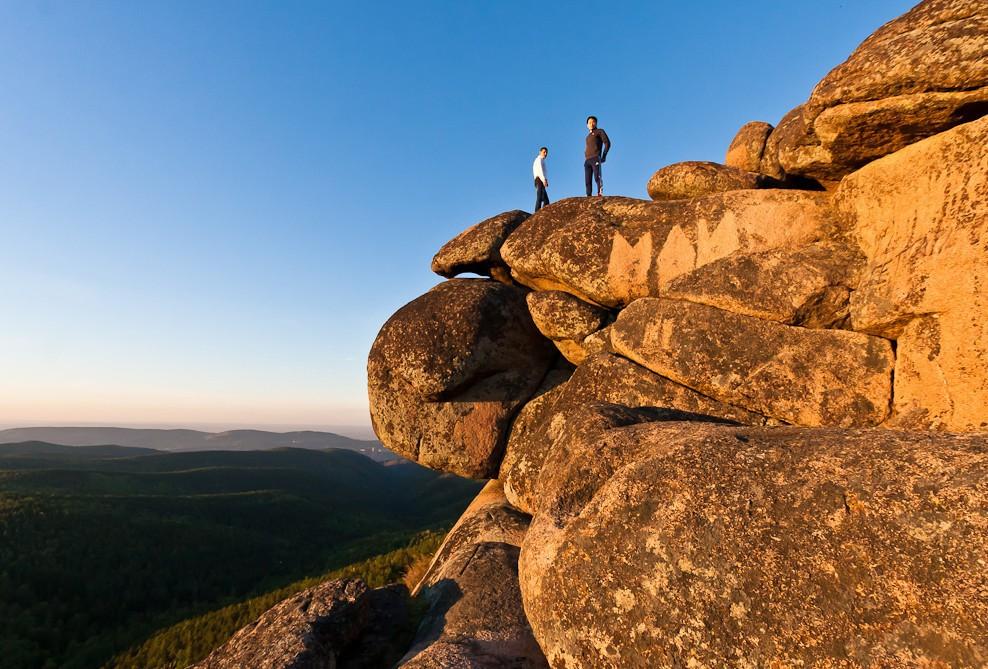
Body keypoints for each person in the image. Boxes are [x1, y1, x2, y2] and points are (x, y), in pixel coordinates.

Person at [584, 116, 611, 197]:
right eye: (589, 122)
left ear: (596, 123)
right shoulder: (587, 137)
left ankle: (599, 193)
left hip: (595, 157)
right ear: (587, 125)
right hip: (587, 160)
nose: (591, 124)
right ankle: (588, 196)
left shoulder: (599, 131)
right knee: (587, 180)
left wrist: (604, 156)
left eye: (593, 122)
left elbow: (607, 143)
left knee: (597, 177)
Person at [533, 146, 549, 212]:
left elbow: (544, 171)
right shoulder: (538, 159)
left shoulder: (542, 161)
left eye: (546, 153)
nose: (545, 154)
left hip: (540, 180)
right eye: (544, 152)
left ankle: (541, 213)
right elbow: (540, 171)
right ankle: (537, 213)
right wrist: (544, 180)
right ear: (540, 152)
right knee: (540, 197)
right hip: (539, 179)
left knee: (545, 200)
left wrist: (546, 179)